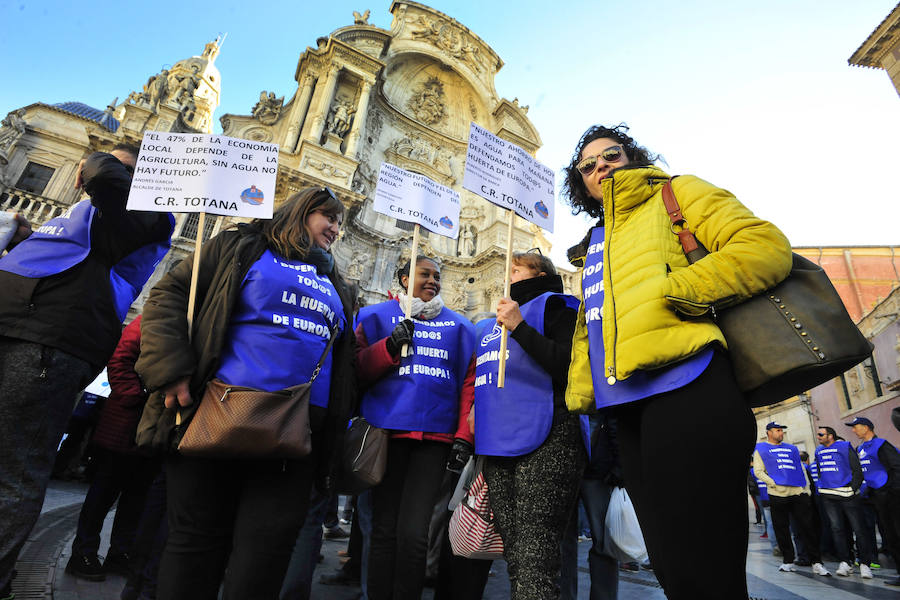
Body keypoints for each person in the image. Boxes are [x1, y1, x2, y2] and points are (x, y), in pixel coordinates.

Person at [561, 124, 792, 599]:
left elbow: (763, 247)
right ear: (580, 182)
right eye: (588, 165)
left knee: (706, 568)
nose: (600, 165)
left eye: (611, 154)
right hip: (627, 411)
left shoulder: (676, 192)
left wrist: (677, 290)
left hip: (688, 389)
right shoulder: (596, 239)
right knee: (672, 569)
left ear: (632, 157)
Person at [134, 186, 357, 599]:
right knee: (196, 542)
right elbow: (169, 295)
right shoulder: (243, 246)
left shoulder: (338, 283)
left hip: (298, 435)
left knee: (266, 555)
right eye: (329, 216)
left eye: (341, 222)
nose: (336, 228)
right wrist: (170, 369)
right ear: (301, 212)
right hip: (219, 413)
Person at [0, 144, 174, 600]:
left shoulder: (145, 217)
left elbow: (106, 177)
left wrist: (102, 160)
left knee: (14, 468)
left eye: (127, 170)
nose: (103, 175)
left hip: (51, 343)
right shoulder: (90, 214)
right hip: (16, 325)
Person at [355, 255, 476, 599]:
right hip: (387, 435)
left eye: (438, 276)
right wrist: (389, 346)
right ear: (405, 278)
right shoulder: (377, 317)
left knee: (415, 532)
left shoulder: (459, 327)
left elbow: (468, 383)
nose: (433, 281)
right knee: (383, 529)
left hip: (434, 441)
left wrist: (463, 438)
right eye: (425, 274)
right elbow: (360, 370)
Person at [468, 251, 583, 599]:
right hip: (499, 443)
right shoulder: (489, 326)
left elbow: (568, 366)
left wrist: (519, 327)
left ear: (540, 273)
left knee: (536, 554)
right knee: (516, 554)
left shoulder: (557, 308)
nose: (508, 275)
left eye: (515, 269)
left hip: (548, 436)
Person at [66, 315, 161, 581]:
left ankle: (120, 552)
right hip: (126, 421)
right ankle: (82, 552)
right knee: (104, 491)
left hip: (153, 426)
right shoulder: (149, 318)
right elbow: (119, 360)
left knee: (137, 496)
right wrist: (136, 395)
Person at [753, 423, 830, 576]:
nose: (781, 433)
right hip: (777, 494)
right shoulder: (761, 449)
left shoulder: (791, 448)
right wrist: (773, 483)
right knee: (781, 529)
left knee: (807, 528)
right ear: (769, 432)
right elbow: (758, 471)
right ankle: (788, 561)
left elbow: (800, 468)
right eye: (778, 430)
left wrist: (806, 490)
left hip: (797, 493)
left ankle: (817, 562)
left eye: (782, 430)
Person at [847, 416, 900, 586]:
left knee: (898, 533)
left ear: (866, 427)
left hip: (890, 498)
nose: (854, 430)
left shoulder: (881, 444)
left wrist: (891, 491)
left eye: (856, 427)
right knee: (890, 536)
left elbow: (896, 467)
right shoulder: (860, 448)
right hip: (875, 499)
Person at [814, 426, 873, 578]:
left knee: (858, 529)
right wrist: (822, 486)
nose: (819, 436)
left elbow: (857, 470)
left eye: (821, 434)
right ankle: (845, 561)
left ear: (831, 436)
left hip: (848, 495)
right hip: (829, 496)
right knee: (837, 529)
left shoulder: (844, 446)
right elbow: (820, 471)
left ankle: (865, 564)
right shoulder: (818, 451)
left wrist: (852, 489)